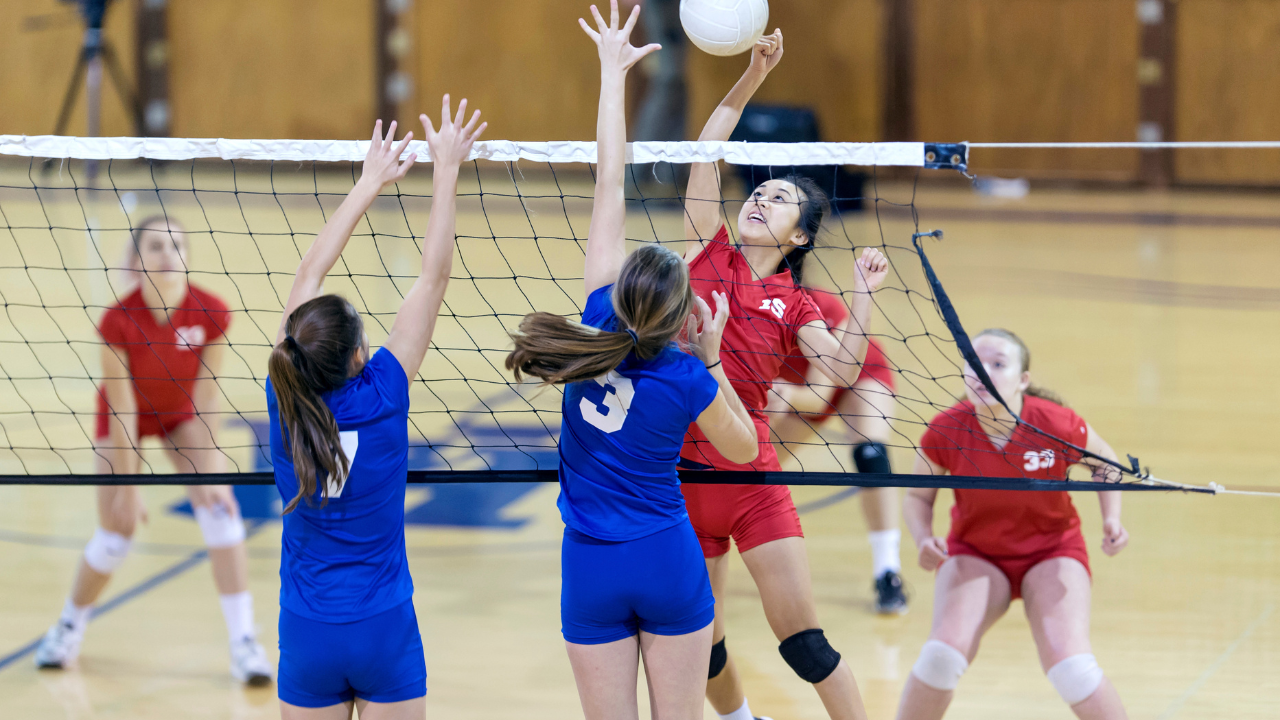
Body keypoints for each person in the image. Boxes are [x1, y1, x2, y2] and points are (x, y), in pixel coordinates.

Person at [504, 4, 757, 718]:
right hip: (665, 561)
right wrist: (712, 362)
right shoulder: (685, 378)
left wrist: (612, 74)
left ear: (622, 295)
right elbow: (741, 451)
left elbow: (610, 182)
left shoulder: (589, 329)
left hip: (589, 566)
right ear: (684, 320)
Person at [679, 30, 887, 720]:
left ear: (799, 236)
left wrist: (862, 293)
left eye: (779, 199)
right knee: (701, 648)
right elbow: (708, 149)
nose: (760, 199)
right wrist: (749, 79)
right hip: (680, 477)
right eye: (758, 190)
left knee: (804, 645)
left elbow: (838, 367)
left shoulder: (796, 303)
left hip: (752, 480)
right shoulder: (707, 250)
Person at [266, 104, 484, 719]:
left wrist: (367, 181)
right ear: (362, 354)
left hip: (308, 629)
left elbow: (308, 271)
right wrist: (446, 169)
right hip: (382, 624)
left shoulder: (285, 395)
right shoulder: (385, 391)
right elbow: (433, 278)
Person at [34, 216, 273, 685]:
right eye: (156, 246)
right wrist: (128, 486)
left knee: (221, 512)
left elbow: (206, 400)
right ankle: (68, 629)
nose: (168, 255)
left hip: (178, 415)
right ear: (136, 262)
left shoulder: (211, 312)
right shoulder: (117, 320)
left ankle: (245, 643)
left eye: (177, 246)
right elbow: (122, 409)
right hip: (124, 418)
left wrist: (213, 474)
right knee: (116, 532)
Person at [896, 329, 1130, 720]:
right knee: (940, 657)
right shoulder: (946, 429)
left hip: (1053, 551)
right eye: (974, 363)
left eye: (998, 364)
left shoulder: (1056, 424)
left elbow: (1107, 467)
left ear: (1023, 380)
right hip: (976, 553)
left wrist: (1112, 520)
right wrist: (922, 539)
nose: (982, 373)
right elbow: (918, 497)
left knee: (1072, 667)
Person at [768, 285, 908, 615]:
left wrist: (781, 395)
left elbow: (819, 396)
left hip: (854, 375)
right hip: (796, 387)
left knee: (871, 453)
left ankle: (887, 571)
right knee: (749, 469)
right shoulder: (739, 307)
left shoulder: (820, 305)